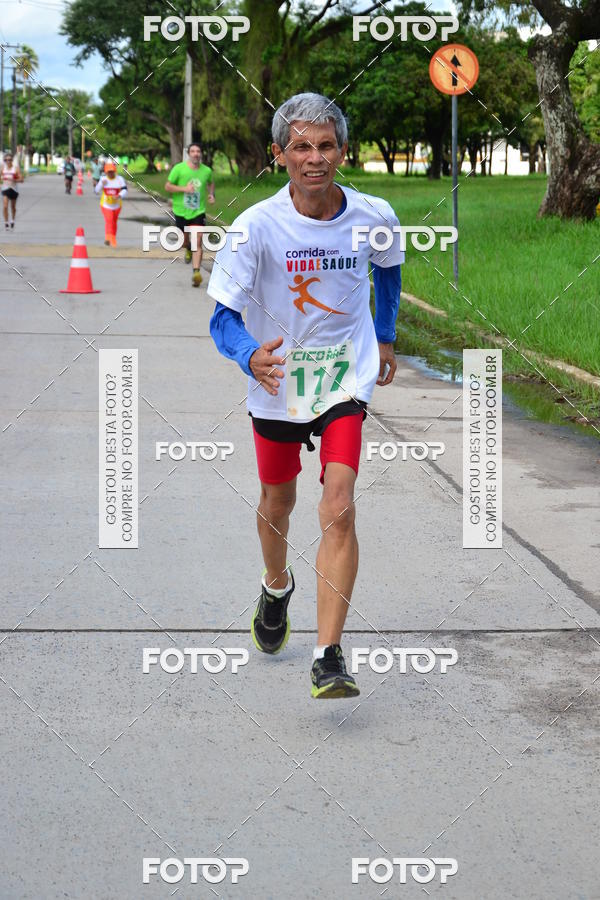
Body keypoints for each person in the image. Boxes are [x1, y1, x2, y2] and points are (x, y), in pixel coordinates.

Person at [207, 93, 404, 699]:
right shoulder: (256, 227)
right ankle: (275, 585)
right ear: (279, 154)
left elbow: (389, 268)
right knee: (278, 501)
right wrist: (248, 353)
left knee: (338, 507)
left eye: (325, 145)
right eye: (300, 146)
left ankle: (328, 655)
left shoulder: (374, 215)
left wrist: (387, 334)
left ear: (342, 151)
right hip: (277, 385)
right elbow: (222, 318)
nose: (314, 158)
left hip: (344, 377)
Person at [165, 142, 215, 288]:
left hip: (198, 212)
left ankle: (196, 272)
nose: (195, 154)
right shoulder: (179, 169)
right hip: (180, 211)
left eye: (198, 151)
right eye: (193, 151)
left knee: (198, 241)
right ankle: (187, 247)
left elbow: (211, 183)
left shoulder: (206, 171)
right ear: (189, 154)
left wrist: (211, 194)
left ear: (201, 154)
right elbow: (167, 186)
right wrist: (184, 189)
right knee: (184, 241)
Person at [94, 161, 128, 247]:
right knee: (109, 221)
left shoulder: (120, 179)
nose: (110, 173)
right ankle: (110, 240)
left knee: (114, 222)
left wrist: (119, 195)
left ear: (115, 171)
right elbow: (96, 191)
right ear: (106, 172)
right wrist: (101, 184)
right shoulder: (103, 179)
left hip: (117, 205)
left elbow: (125, 190)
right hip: (106, 205)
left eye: (112, 171)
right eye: (109, 172)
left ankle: (112, 238)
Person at [1, 152, 22, 229]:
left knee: (12, 207)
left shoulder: (15, 169)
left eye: (9, 160)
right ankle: (6, 222)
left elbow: (21, 179)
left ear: (12, 160)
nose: (8, 161)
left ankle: (12, 220)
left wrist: (14, 179)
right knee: (5, 206)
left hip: (13, 189)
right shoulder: (3, 168)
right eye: (6, 160)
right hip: (5, 189)